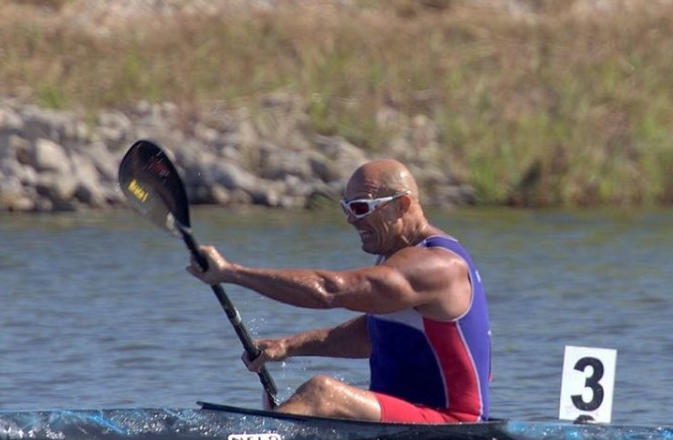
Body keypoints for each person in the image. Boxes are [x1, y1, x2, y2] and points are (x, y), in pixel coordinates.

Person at [187, 159, 491, 423]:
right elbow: (373, 335)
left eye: (360, 208)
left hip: (452, 421)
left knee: (322, 393)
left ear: (403, 205)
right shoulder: (396, 258)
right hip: (407, 417)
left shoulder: (437, 265)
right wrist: (288, 346)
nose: (350, 219)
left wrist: (231, 272)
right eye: (346, 207)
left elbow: (330, 291)